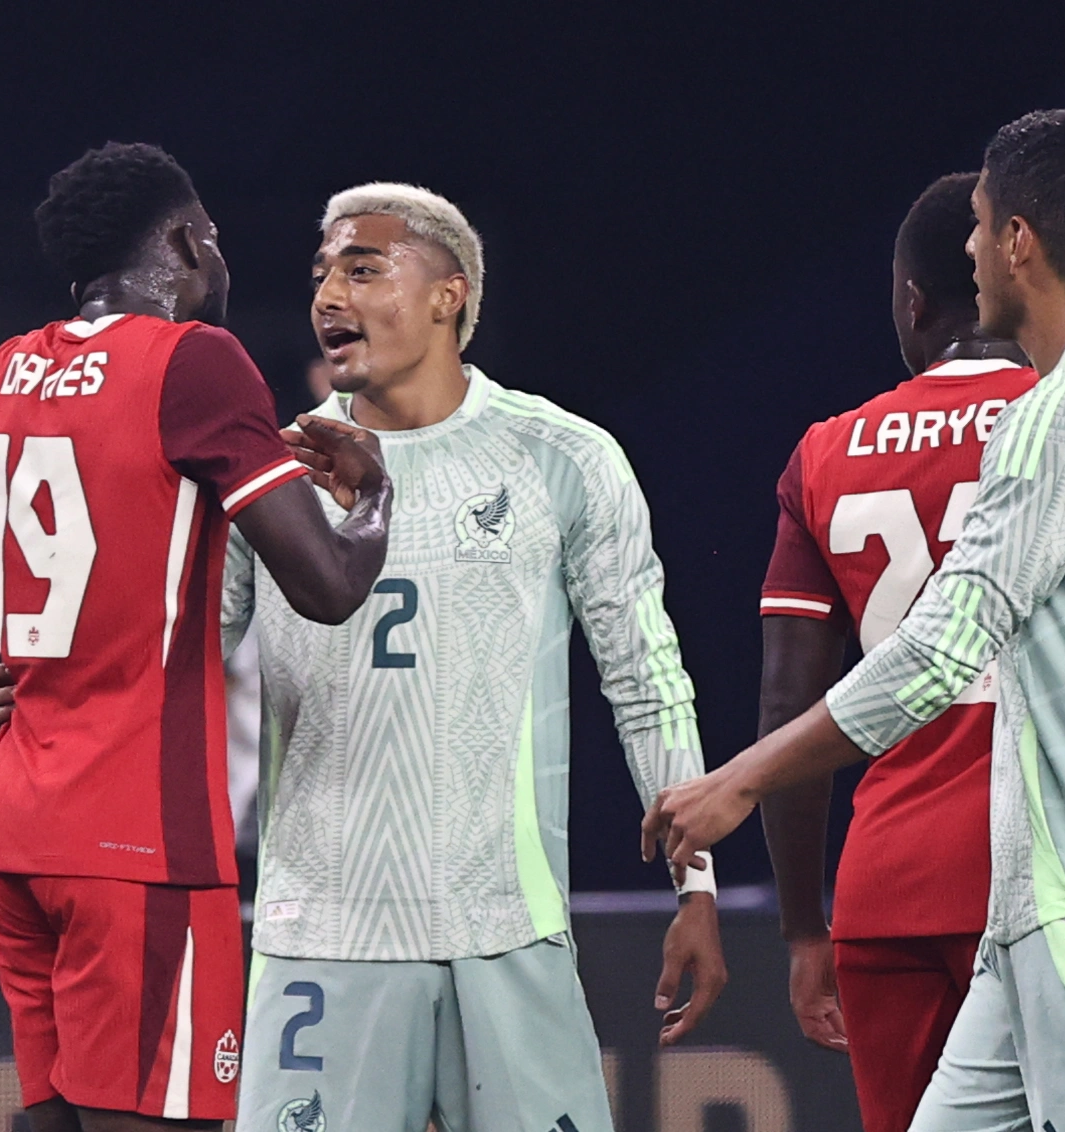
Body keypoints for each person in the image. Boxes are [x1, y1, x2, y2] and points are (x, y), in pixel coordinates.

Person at [644, 109, 1065, 1132]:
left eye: (978, 223)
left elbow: (937, 650)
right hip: (1063, 893)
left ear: (1020, 239)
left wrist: (738, 780)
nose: (968, 248)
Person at [222, 183, 725, 1132]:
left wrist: (694, 884)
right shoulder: (268, 475)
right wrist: (43, 687)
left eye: (363, 268)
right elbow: (172, 665)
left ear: (450, 294)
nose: (330, 293)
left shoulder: (561, 456)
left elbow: (645, 677)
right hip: (323, 931)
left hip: (505, 930)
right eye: (321, 272)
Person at [0, 143, 394, 1132]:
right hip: (135, 838)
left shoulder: (1, 371)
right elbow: (326, 587)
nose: (223, 266)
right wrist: (371, 500)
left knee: (54, 1120)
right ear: (188, 242)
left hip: (14, 823)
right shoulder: (195, 360)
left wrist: (40, 665)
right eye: (218, 243)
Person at [757, 172, 1036, 1132]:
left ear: (913, 301)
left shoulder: (827, 453)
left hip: (888, 885)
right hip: (1052, 873)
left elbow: (786, 709)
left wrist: (804, 926)